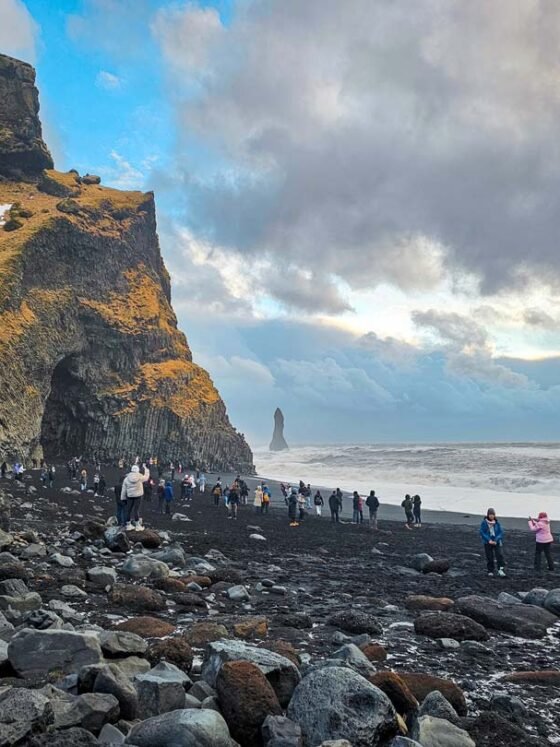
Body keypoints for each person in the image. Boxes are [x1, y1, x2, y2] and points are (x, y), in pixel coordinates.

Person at [122, 464, 150, 530]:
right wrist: (146, 469)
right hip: (138, 496)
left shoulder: (126, 478)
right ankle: (137, 525)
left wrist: (123, 498)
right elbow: (146, 477)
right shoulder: (140, 477)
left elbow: (124, 489)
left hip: (130, 496)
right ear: (137, 470)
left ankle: (128, 525)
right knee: (136, 510)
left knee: (128, 510)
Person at [480, 508, 506, 577]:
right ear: (488, 515)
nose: (491, 516)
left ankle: (500, 570)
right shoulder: (484, 523)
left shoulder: (497, 523)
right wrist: (489, 540)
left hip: (496, 542)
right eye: (490, 514)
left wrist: (496, 540)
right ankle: (490, 570)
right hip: (487, 542)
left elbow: (500, 532)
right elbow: (482, 532)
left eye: (493, 515)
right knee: (489, 557)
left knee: (500, 555)